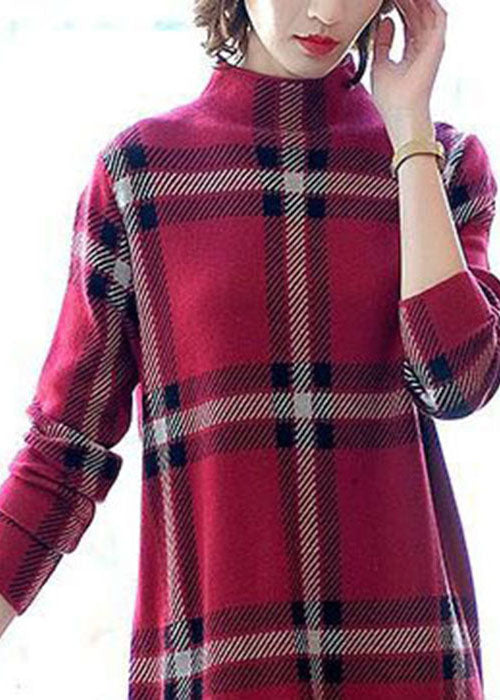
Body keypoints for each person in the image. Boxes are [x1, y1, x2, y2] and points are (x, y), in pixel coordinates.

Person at [1, 0, 498, 697]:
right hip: (219, 660)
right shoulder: (139, 173)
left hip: (407, 654)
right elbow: (65, 450)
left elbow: (458, 383)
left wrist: (410, 133)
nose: (326, 11)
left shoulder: (442, 165)